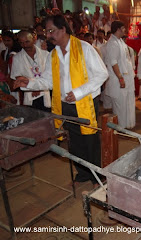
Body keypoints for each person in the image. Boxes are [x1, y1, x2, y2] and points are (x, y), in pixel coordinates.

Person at [13, 14, 109, 186]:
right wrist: (29, 83)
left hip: (85, 102)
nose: (48, 35)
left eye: (51, 31)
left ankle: (96, 175)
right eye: (47, 31)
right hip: (65, 104)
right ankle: (82, 173)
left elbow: (102, 74)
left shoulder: (84, 48)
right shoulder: (53, 55)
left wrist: (79, 92)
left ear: (63, 29)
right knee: (73, 140)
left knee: (90, 139)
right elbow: (48, 81)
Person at [103, 21, 136, 128]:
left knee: (126, 103)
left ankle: (127, 125)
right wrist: (120, 78)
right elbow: (113, 62)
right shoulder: (112, 43)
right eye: (123, 28)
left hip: (126, 78)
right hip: (118, 80)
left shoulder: (120, 41)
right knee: (120, 106)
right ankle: (120, 128)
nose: (125, 30)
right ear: (117, 29)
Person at [10, 30, 51, 111]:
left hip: (46, 92)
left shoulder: (45, 54)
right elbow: (17, 76)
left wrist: (37, 86)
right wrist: (32, 87)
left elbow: (50, 75)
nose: (24, 45)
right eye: (21, 43)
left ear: (34, 39)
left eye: (27, 42)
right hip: (29, 94)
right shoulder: (17, 58)